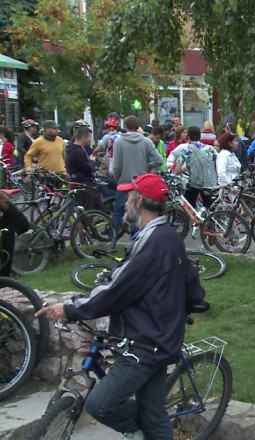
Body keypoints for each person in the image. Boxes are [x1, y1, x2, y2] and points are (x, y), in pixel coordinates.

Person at [34, 173, 205, 440]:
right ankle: (151, 429)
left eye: (128, 196)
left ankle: (142, 431)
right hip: (159, 337)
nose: (124, 202)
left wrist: (70, 307)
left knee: (99, 404)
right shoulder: (166, 235)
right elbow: (189, 281)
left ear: (139, 202)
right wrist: (193, 303)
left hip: (145, 343)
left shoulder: (153, 240)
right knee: (154, 413)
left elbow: (118, 289)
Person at [111, 115, 164, 232]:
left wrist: (118, 179)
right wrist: (147, 166)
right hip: (141, 183)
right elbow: (159, 160)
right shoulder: (146, 141)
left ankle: (112, 240)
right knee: (138, 211)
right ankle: (137, 238)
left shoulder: (118, 142)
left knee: (118, 212)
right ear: (137, 126)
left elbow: (115, 166)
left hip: (124, 181)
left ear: (125, 127)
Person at [174, 126, 218, 210]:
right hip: (208, 182)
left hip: (194, 183)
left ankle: (193, 221)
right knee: (209, 207)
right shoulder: (210, 148)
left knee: (189, 207)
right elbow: (217, 161)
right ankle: (208, 221)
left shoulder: (185, 150)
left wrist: (184, 169)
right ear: (200, 136)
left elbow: (177, 171)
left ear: (188, 137)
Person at [65, 126, 103, 211]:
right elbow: (87, 168)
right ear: (84, 137)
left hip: (76, 181)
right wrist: (91, 162)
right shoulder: (78, 152)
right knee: (91, 212)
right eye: (89, 137)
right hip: (83, 185)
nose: (90, 140)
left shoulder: (71, 148)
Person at [0, 191, 30, 276]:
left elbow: (24, 224)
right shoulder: (6, 203)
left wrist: (12, 234)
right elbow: (24, 224)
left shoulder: (6, 206)